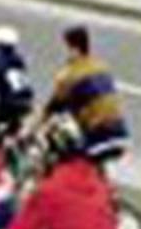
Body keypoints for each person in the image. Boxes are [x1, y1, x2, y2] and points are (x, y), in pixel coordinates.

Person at [44, 26, 129, 163]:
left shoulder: (69, 75)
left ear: (75, 50)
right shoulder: (101, 66)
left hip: (100, 135)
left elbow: (52, 108)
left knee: (70, 155)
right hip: (120, 133)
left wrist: (31, 129)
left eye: (68, 49)